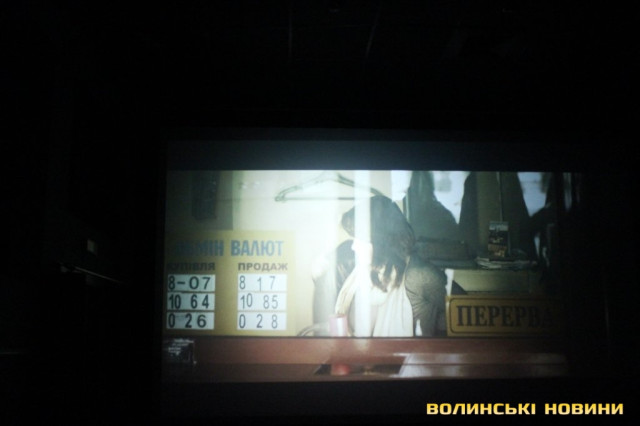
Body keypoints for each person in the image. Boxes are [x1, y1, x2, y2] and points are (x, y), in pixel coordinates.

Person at [313, 195, 447, 337]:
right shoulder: (365, 272)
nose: (354, 246)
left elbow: (460, 305)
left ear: (380, 241)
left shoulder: (418, 276)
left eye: (360, 239)